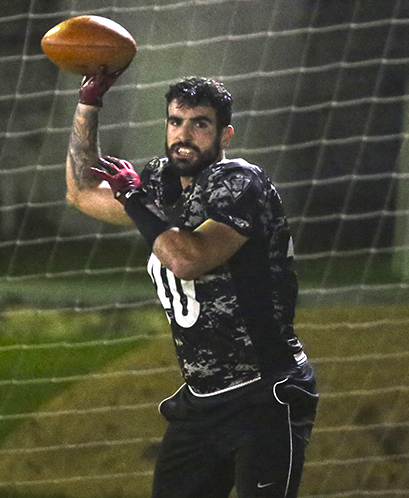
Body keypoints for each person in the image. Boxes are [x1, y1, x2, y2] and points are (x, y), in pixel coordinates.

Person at [65, 72, 319, 497]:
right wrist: (88, 104)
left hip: (263, 394)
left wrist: (133, 200)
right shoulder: (163, 180)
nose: (183, 134)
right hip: (201, 402)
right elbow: (81, 191)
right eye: (175, 121)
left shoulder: (240, 182)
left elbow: (189, 259)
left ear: (225, 134)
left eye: (199, 123)